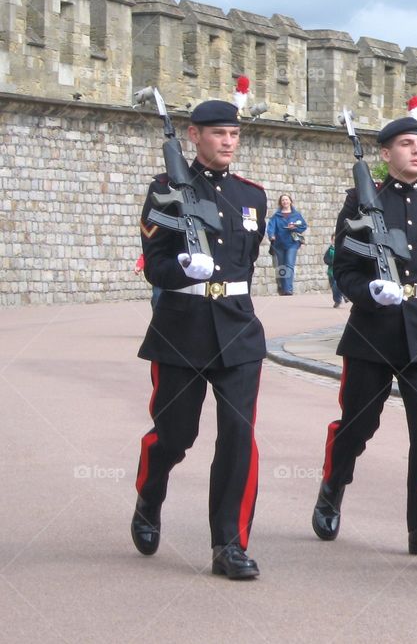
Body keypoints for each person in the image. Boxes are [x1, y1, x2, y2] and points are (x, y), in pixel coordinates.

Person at [312, 110, 417, 557]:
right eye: (406, 144)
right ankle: (332, 486)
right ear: (385, 153)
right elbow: (344, 270)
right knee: (358, 425)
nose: (416, 151)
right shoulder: (360, 204)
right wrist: (370, 292)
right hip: (372, 332)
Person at [131, 98, 268, 580]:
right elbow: (155, 265)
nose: (228, 142)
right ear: (194, 136)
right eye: (218, 134)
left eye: (234, 134)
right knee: (175, 435)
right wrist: (182, 268)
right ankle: (150, 494)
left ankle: (229, 544)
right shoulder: (165, 190)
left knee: (238, 436)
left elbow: (247, 264)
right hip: (182, 328)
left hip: (238, 328)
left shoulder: (253, 195)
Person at [267, 193, 308, 296]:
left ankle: (288, 289)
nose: (285, 201)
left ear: (290, 201)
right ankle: (283, 288)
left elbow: (303, 226)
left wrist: (294, 227)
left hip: (292, 243)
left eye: (286, 199)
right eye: (283, 200)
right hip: (279, 243)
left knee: (289, 264)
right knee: (282, 266)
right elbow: (271, 227)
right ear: (280, 203)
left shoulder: (296, 215)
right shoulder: (276, 216)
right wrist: (271, 235)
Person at [323, 234, 344, 308]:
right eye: (334, 240)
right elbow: (325, 259)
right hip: (331, 273)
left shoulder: (341, 249)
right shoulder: (330, 250)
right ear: (332, 240)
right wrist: (332, 262)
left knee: (337, 285)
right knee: (334, 288)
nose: (335, 241)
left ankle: (342, 297)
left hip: (339, 272)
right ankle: (337, 301)